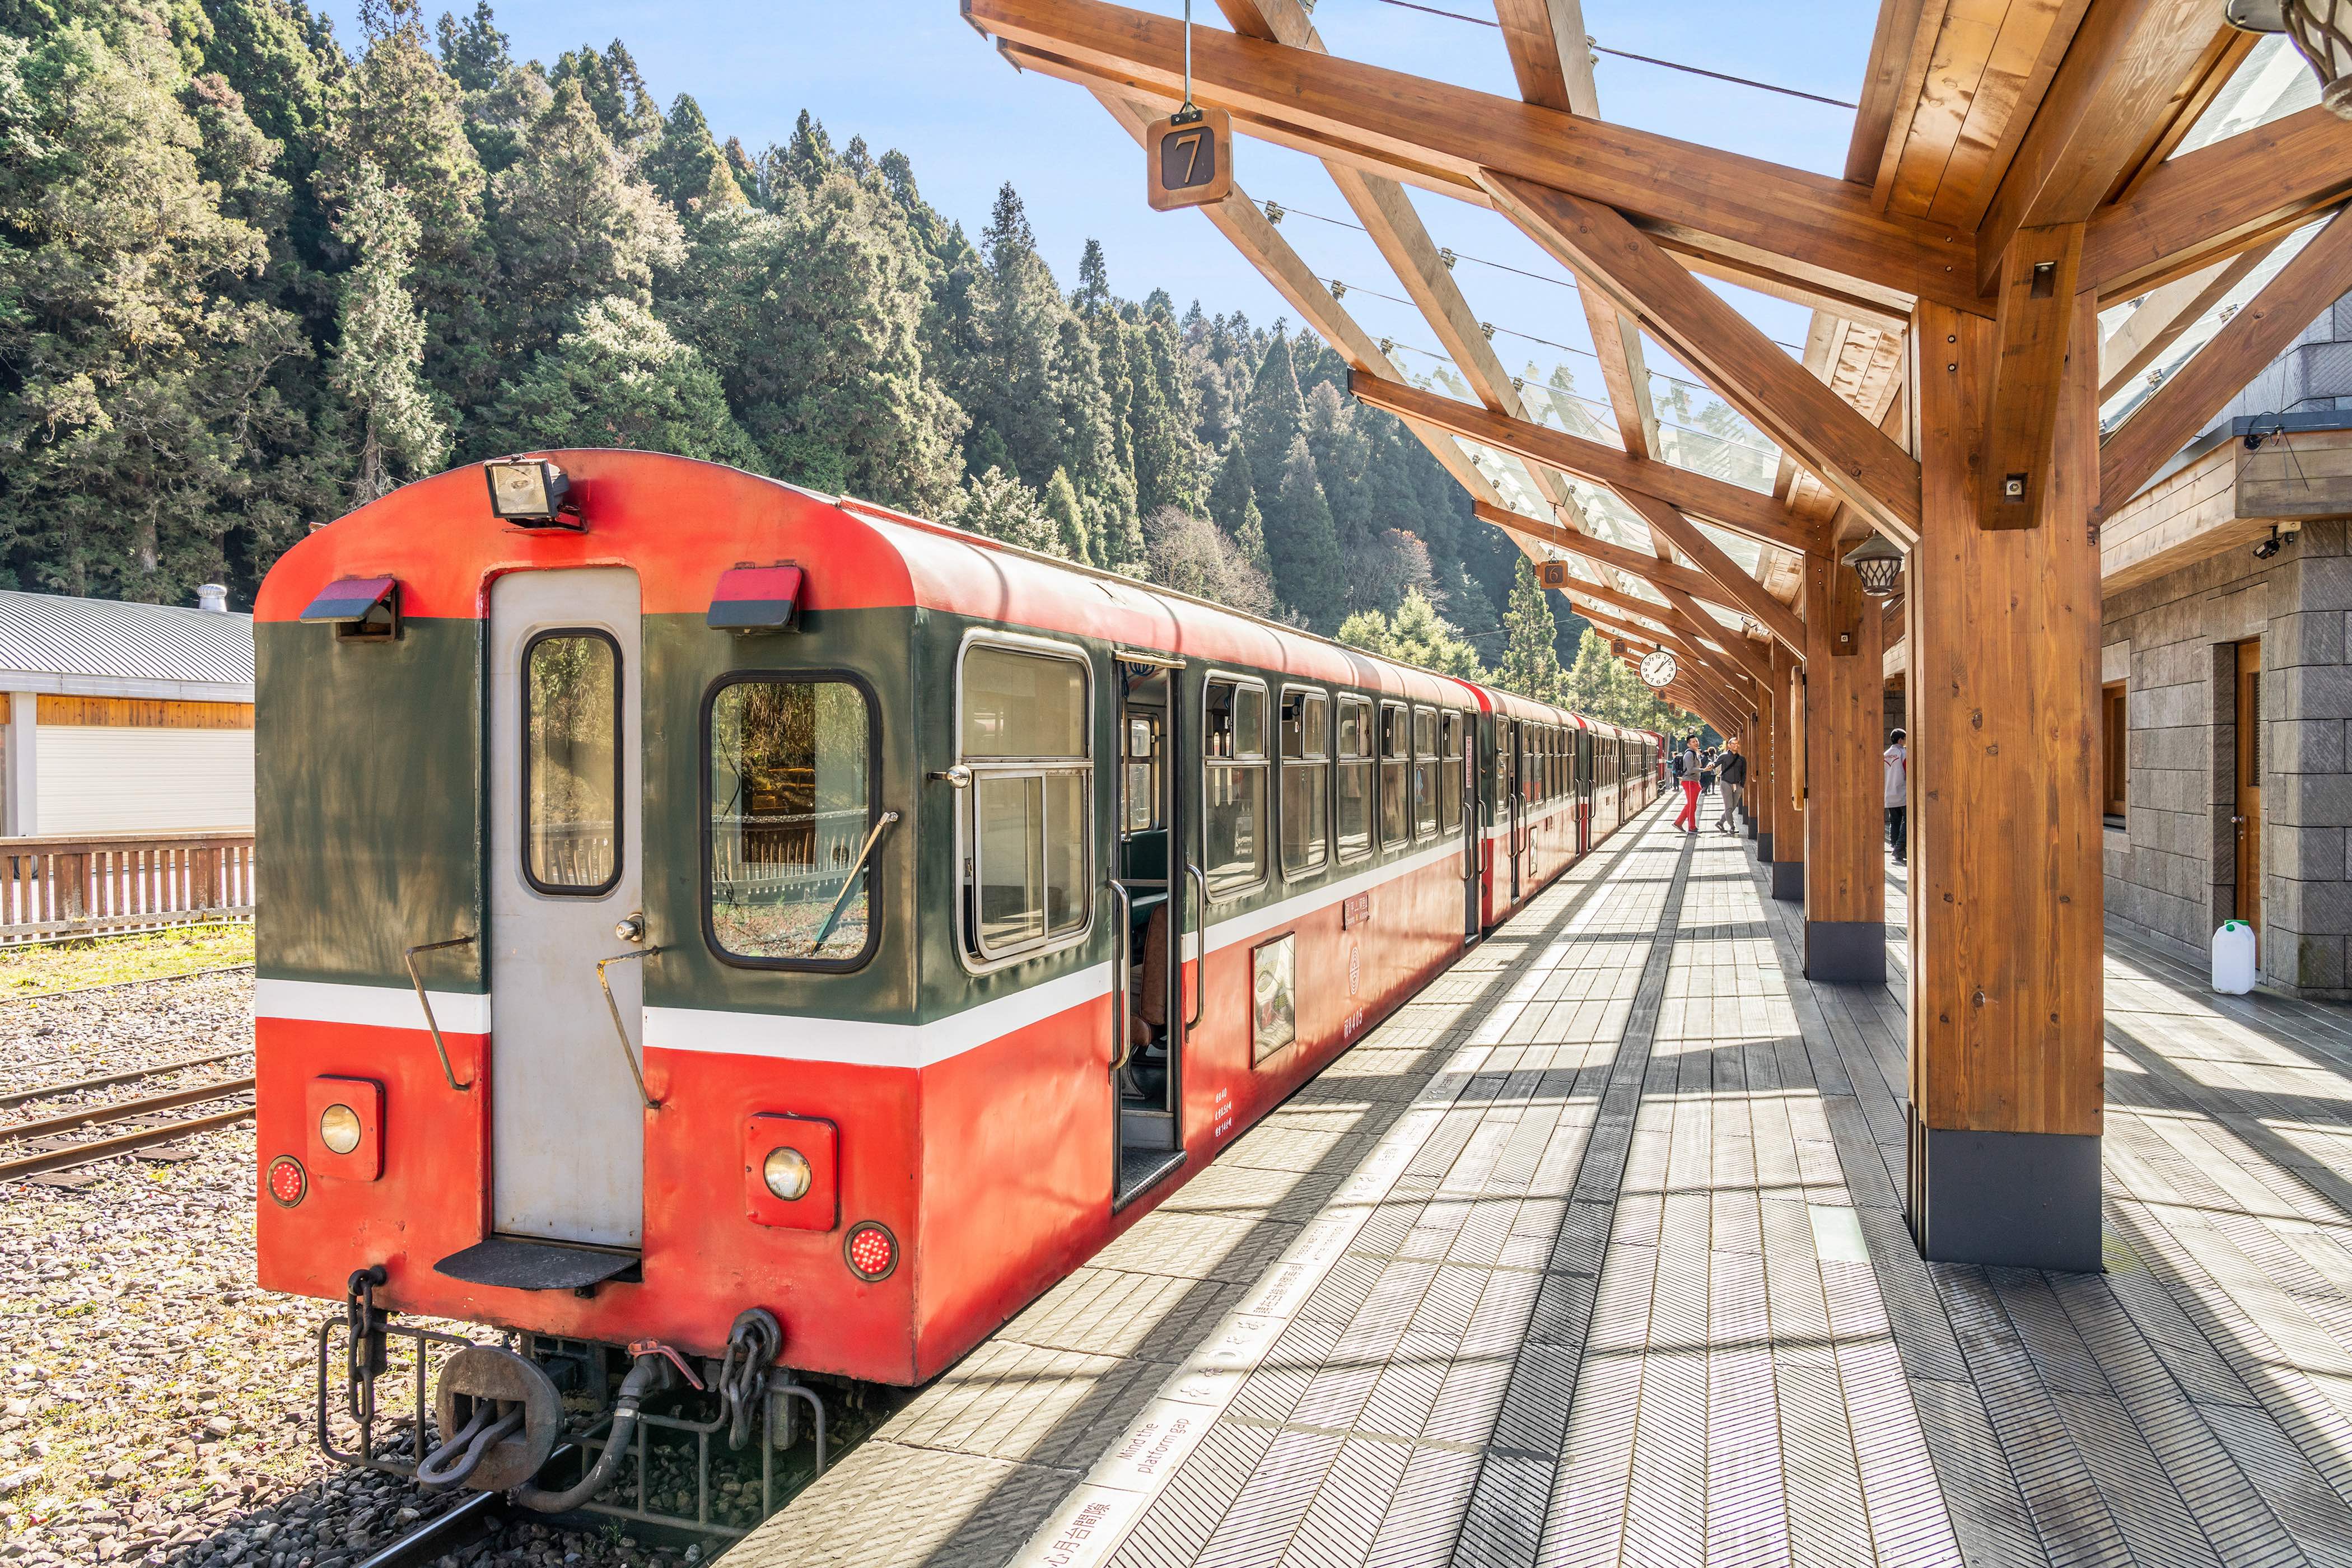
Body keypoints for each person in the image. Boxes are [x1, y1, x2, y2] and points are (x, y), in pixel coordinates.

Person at [1884, 727, 1908, 866]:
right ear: (1901, 740)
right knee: (1907, 821)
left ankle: (1894, 845)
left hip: (1889, 794)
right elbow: (1908, 771)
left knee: (1895, 821)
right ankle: (1900, 847)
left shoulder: (1885, 754)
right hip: (1902, 792)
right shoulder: (1903, 753)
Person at [1673, 735, 1702, 832]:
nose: (1696, 743)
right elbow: (1690, 770)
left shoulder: (1696, 753)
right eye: (1693, 742)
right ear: (1689, 744)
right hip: (1689, 781)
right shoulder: (1689, 754)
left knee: (1691, 805)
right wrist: (1704, 770)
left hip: (1694, 781)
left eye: (1697, 741)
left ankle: (1678, 823)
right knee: (1692, 806)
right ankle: (1692, 827)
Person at [1716, 738, 1745, 833]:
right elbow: (1715, 764)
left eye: (1738, 743)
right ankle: (1732, 827)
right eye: (1734, 743)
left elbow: (1744, 773)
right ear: (1729, 745)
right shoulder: (1723, 756)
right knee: (1729, 807)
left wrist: (1742, 785)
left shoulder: (1742, 759)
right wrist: (1708, 767)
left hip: (1737, 784)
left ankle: (1720, 823)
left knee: (1733, 807)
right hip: (1726, 783)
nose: (1736, 745)